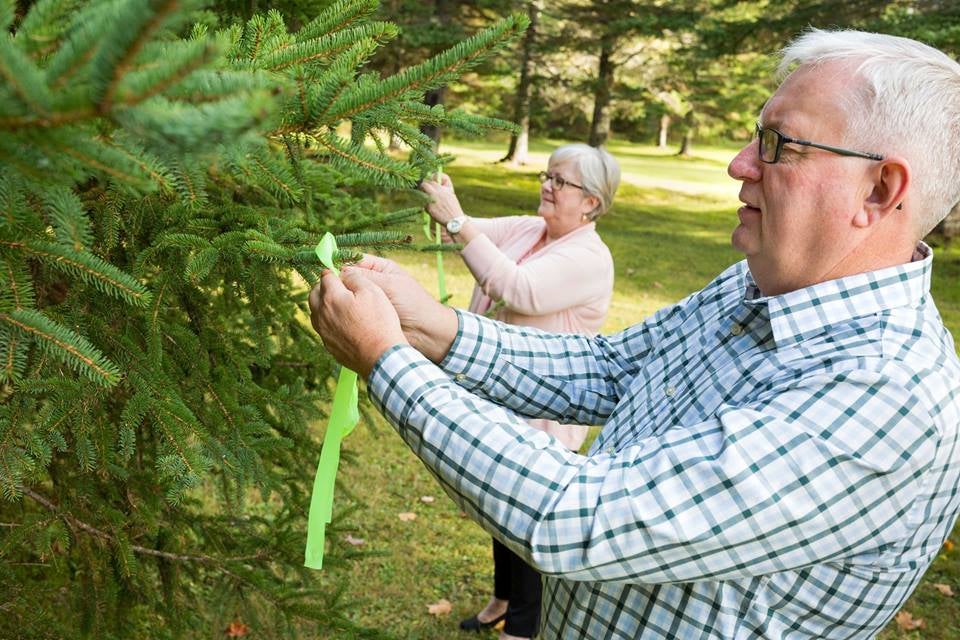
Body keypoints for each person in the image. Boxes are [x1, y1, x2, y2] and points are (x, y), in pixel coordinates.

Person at [309, 29, 960, 639]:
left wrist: (386, 360)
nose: (739, 164)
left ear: (880, 188)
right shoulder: (757, 287)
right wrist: (432, 326)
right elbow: (613, 370)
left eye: (779, 144)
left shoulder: (886, 394)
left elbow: (582, 518)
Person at [418, 144, 620, 640]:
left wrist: (457, 224)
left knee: (527, 525)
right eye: (547, 175)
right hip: (504, 399)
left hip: (546, 414)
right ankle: (501, 601)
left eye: (561, 181)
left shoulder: (589, 258)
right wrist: (450, 204)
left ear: (591, 203)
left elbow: (516, 288)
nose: (547, 186)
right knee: (496, 508)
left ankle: (522, 629)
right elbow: (473, 228)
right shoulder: (534, 229)